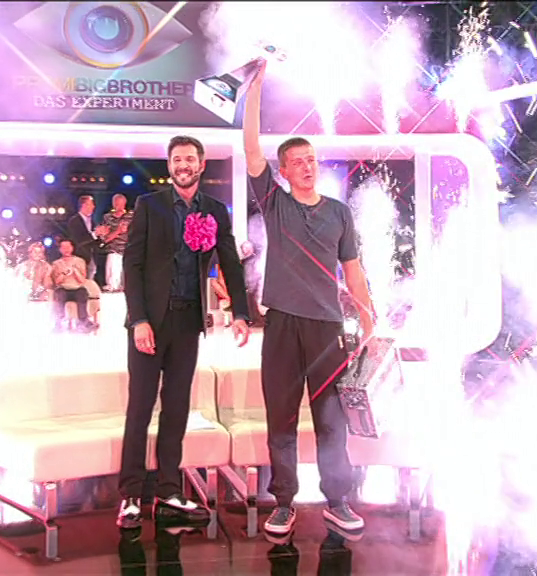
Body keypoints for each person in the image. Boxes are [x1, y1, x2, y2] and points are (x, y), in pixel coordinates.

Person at [243, 59, 376, 535]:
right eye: (296, 161)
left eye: (311, 160)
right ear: (282, 170)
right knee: (280, 418)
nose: (306, 166)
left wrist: (369, 319)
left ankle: (337, 500)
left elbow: (353, 271)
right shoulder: (274, 203)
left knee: (331, 420)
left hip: (326, 329)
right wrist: (255, 89)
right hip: (282, 324)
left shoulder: (339, 213)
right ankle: (283, 501)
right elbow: (251, 148)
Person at [117, 135, 252, 529]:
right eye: (177, 159)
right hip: (150, 323)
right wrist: (138, 320)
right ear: (170, 165)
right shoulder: (149, 205)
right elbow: (132, 266)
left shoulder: (215, 211)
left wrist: (240, 312)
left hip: (188, 321)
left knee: (176, 408)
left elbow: (230, 262)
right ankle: (130, 494)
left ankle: (168, 488)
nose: (183, 165)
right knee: (140, 406)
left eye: (190, 159)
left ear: (201, 164)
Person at [49, 239, 98, 332]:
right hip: (63, 288)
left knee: (82, 294)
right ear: (60, 249)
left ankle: (84, 322)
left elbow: (82, 280)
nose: (66, 249)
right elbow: (57, 282)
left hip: (77, 288)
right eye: (63, 247)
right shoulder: (56, 263)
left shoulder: (80, 261)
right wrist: (64, 274)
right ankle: (59, 322)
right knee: (59, 294)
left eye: (68, 247)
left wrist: (75, 271)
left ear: (72, 248)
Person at [66, 195, 110, 282]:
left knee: (89, 283)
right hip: (79, 258)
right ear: (84, 205)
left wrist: (102, 236)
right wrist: (95, 233)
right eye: (91, 204)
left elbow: (93, 240)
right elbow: (79, 240)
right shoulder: (74, 221)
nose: (94, 207)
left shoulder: (92, 222)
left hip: (91, 259)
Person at [101, 193, 133, 292]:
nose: (118, 206)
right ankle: (113, 288)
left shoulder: (131, 216)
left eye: (121, 204)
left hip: (129, 251)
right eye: (116, 204)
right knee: (113, 271)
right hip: (114, 250)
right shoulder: (107, 218)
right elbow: (105, 238)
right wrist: (118, 231)